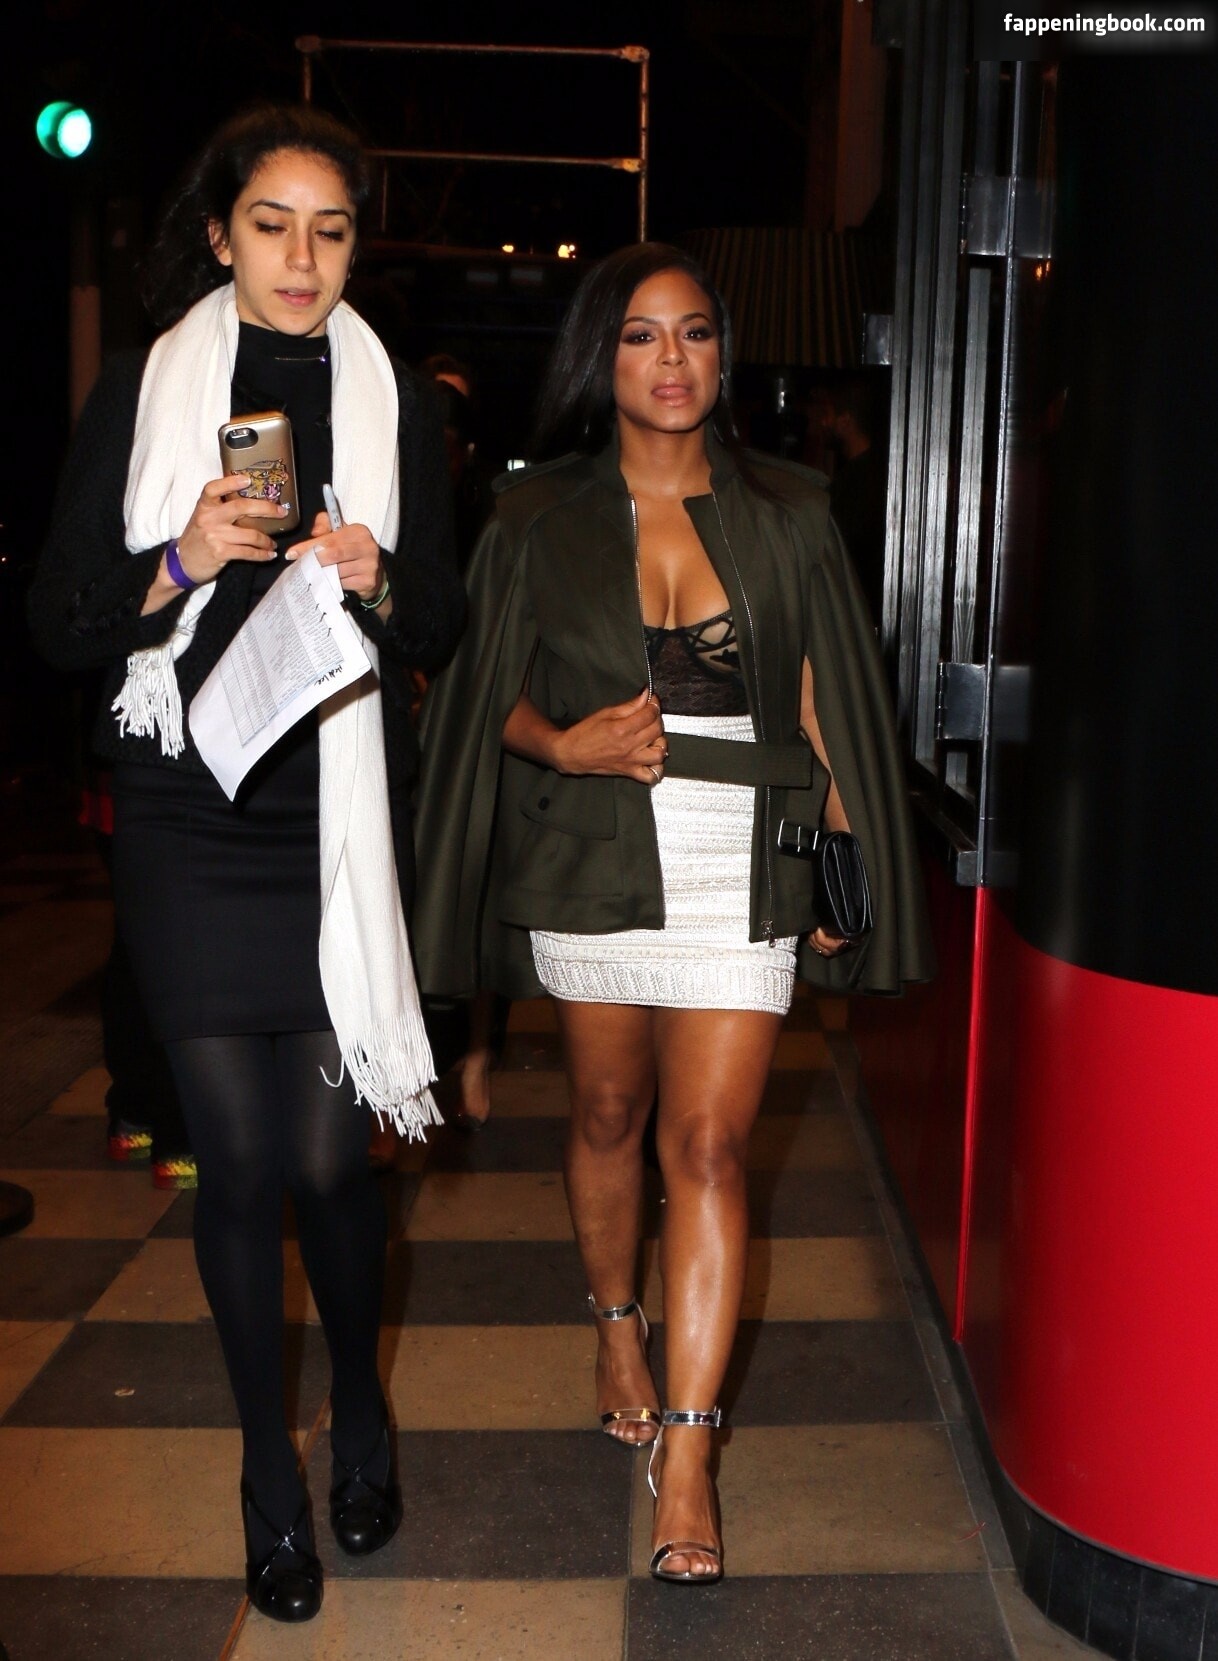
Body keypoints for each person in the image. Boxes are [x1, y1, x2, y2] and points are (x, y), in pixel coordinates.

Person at [412, 243, 932, 1585]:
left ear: (721, 352)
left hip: (740, 856)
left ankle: (690, 1459)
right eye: (641, 335)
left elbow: (822, 696)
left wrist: (844, 847)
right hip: (592, 848)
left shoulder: (791, 509)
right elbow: (475, 693)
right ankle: (614, 1322)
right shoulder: (534, 515)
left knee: (707, 1147)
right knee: (606, 1115)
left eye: (694, 333)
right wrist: (562, 742)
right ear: (603, 357)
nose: (671, 360)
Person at [29, 105, 462, 1622]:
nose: (301, 257)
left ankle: (362, 1401)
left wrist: (379, 575)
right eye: (271, 225)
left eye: (330, 230)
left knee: (334, 1162)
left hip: (330, 803)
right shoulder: (143, 387)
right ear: (220, 235)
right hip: (187, 813)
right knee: (244, 1160)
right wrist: (182, 561)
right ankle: (268, 1475)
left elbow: (441, 615)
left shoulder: (395, 399)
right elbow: (60, 621)